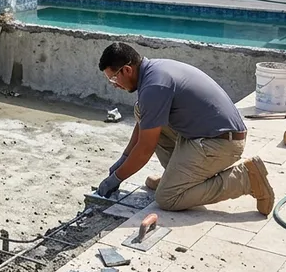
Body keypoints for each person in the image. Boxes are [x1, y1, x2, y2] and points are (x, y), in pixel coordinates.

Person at [95, 42, 275, 215]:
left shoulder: (154, 86)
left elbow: (144, 149)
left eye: (113, 78)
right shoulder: (154, 71)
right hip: (211, 133)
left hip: (222, 144)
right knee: (141, 111)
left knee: (167, 198)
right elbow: (144, 126)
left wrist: (117, 178)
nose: (114, 84)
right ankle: (176, 179)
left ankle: (246, 179)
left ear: (127, 70)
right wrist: (124, 159)